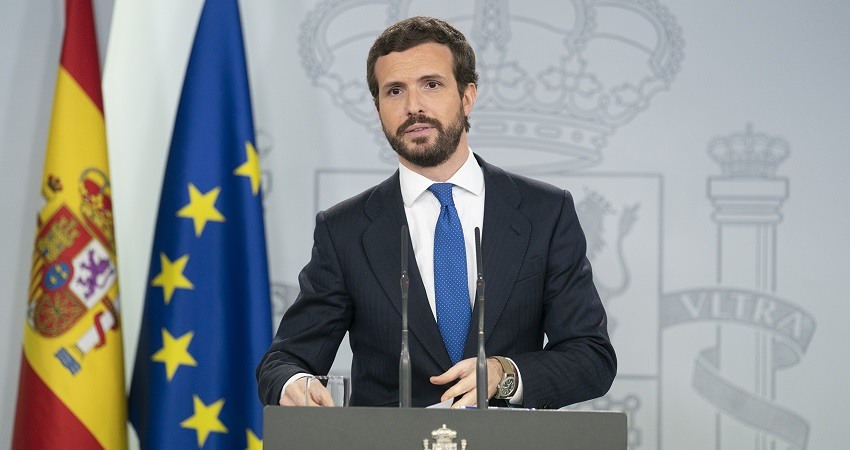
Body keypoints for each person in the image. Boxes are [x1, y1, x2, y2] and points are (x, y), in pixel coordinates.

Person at [256, 16, 615, 409]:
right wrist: (294, 382)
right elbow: (284, 360)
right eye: (394, 91)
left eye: (431, 84)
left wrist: (504, 375)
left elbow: (591, 357)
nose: (413, 107)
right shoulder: (344, 230)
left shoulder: (545, 212)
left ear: (467, 96)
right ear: (378, 109)